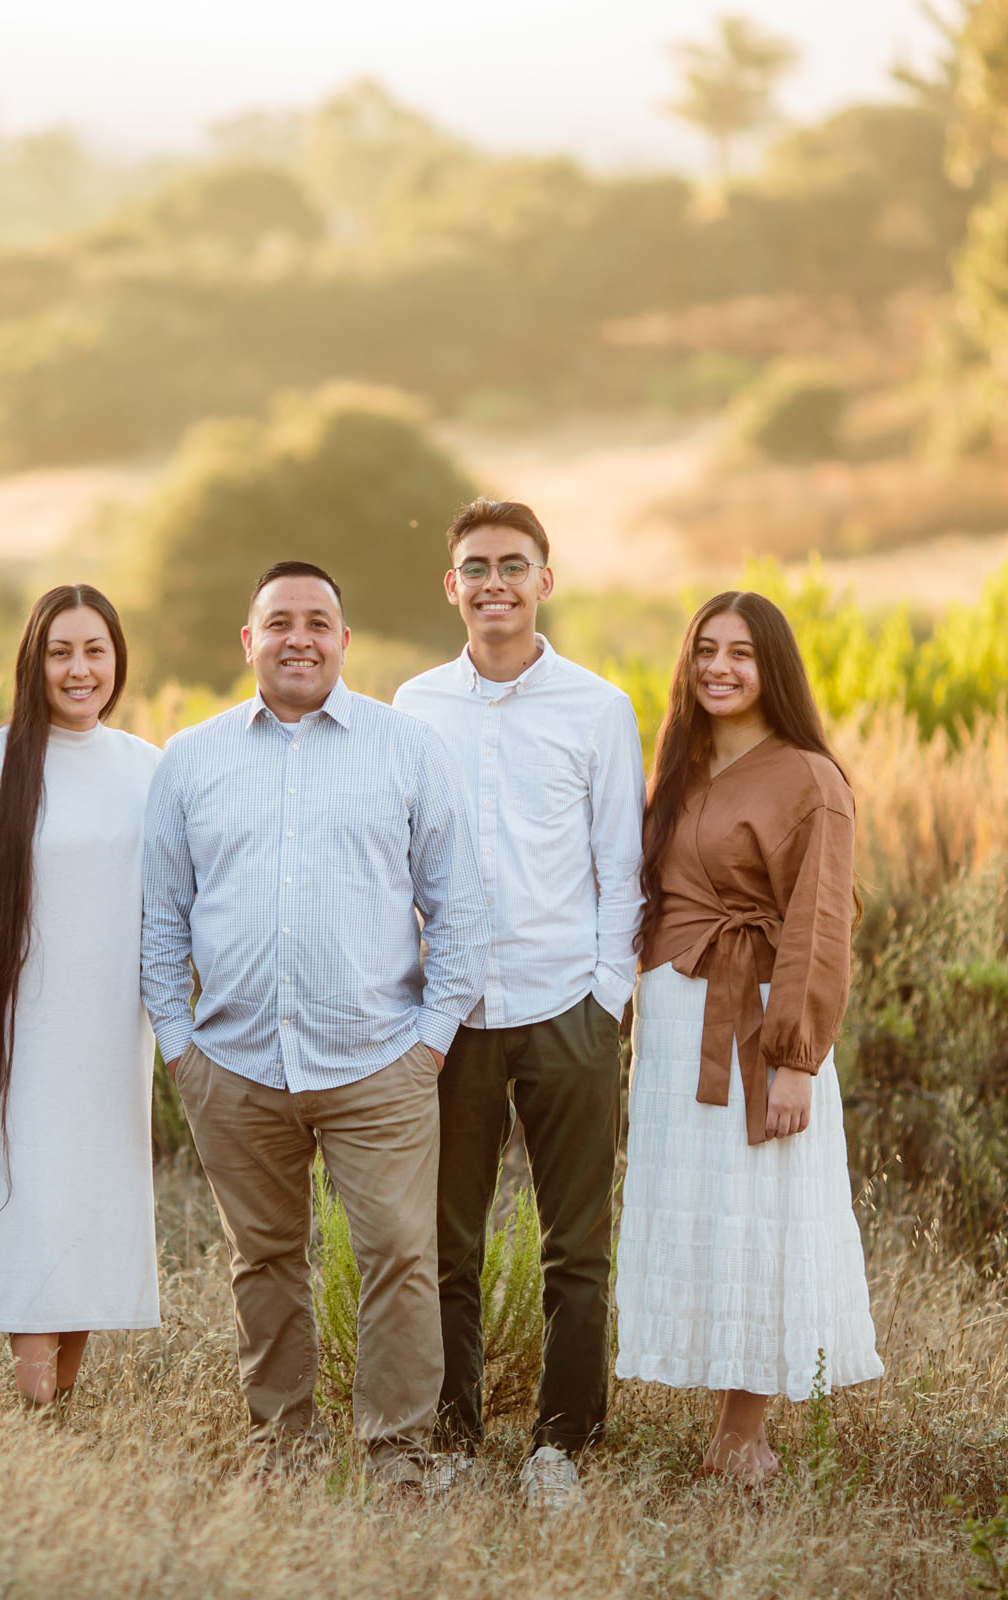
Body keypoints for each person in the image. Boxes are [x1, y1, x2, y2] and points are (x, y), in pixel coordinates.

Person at [141, 560, 488, 1494]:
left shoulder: (406, 750)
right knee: (265, 1261)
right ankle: (281, 1449)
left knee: (400, 1258)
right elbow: (161, 918)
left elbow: (459, 910)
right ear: (247, 642)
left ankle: (397, 1456)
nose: (300, 636)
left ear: (344, 641)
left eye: (319, 621)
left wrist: (430, 1046)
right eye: (279, 621)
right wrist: (181, 1044)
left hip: (380, 1063)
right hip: (237, 1066)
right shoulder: (191, 759)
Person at [392, 499, 643, 1511]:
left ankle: (560, 1445)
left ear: (547, 578)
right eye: (475, 566)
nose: (495, 581)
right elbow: (394, 860)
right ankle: (453, 1436)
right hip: (449, 1023)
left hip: (564, 1011)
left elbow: (622, 869)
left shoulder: (598, 707)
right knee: (442, 1244)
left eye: (514, 563)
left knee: (575, 1246)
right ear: (450, 585)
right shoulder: (412, 706)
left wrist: (604, 1003)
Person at [612, 590, 882, 1482]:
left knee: (759, 1213)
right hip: (677, 1019)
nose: (719, 668)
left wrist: (796, 1061)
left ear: (774, 669)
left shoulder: (809, 778)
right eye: (704, 650)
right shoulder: (678, 765)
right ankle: (718, 1424)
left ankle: (743, 1437)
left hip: (761, 1019)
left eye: (742, 653)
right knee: (702, 1213)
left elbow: (820, 923)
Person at [0, 585, 163, 1405]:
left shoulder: (146, 768)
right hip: (15, 1036)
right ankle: (35, 1404)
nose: (80, 668)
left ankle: (53, 1411)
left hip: (110, 1037)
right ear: (34, 660)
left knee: (93, 1212)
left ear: (117, 660)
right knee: (33, 1208)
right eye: (61, 651)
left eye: (95, 649)